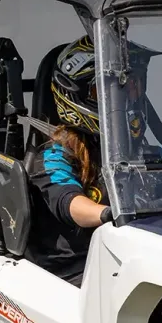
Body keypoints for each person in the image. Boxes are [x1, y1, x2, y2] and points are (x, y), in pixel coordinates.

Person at [23, 37, 114, 283]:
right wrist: (113, 213)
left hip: (120, 260)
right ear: (80, 93)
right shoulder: (54, 156)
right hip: (70, 274)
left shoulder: (134, 151)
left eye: (134, 86)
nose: (126, 97)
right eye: (107, 89)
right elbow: (70, 204)